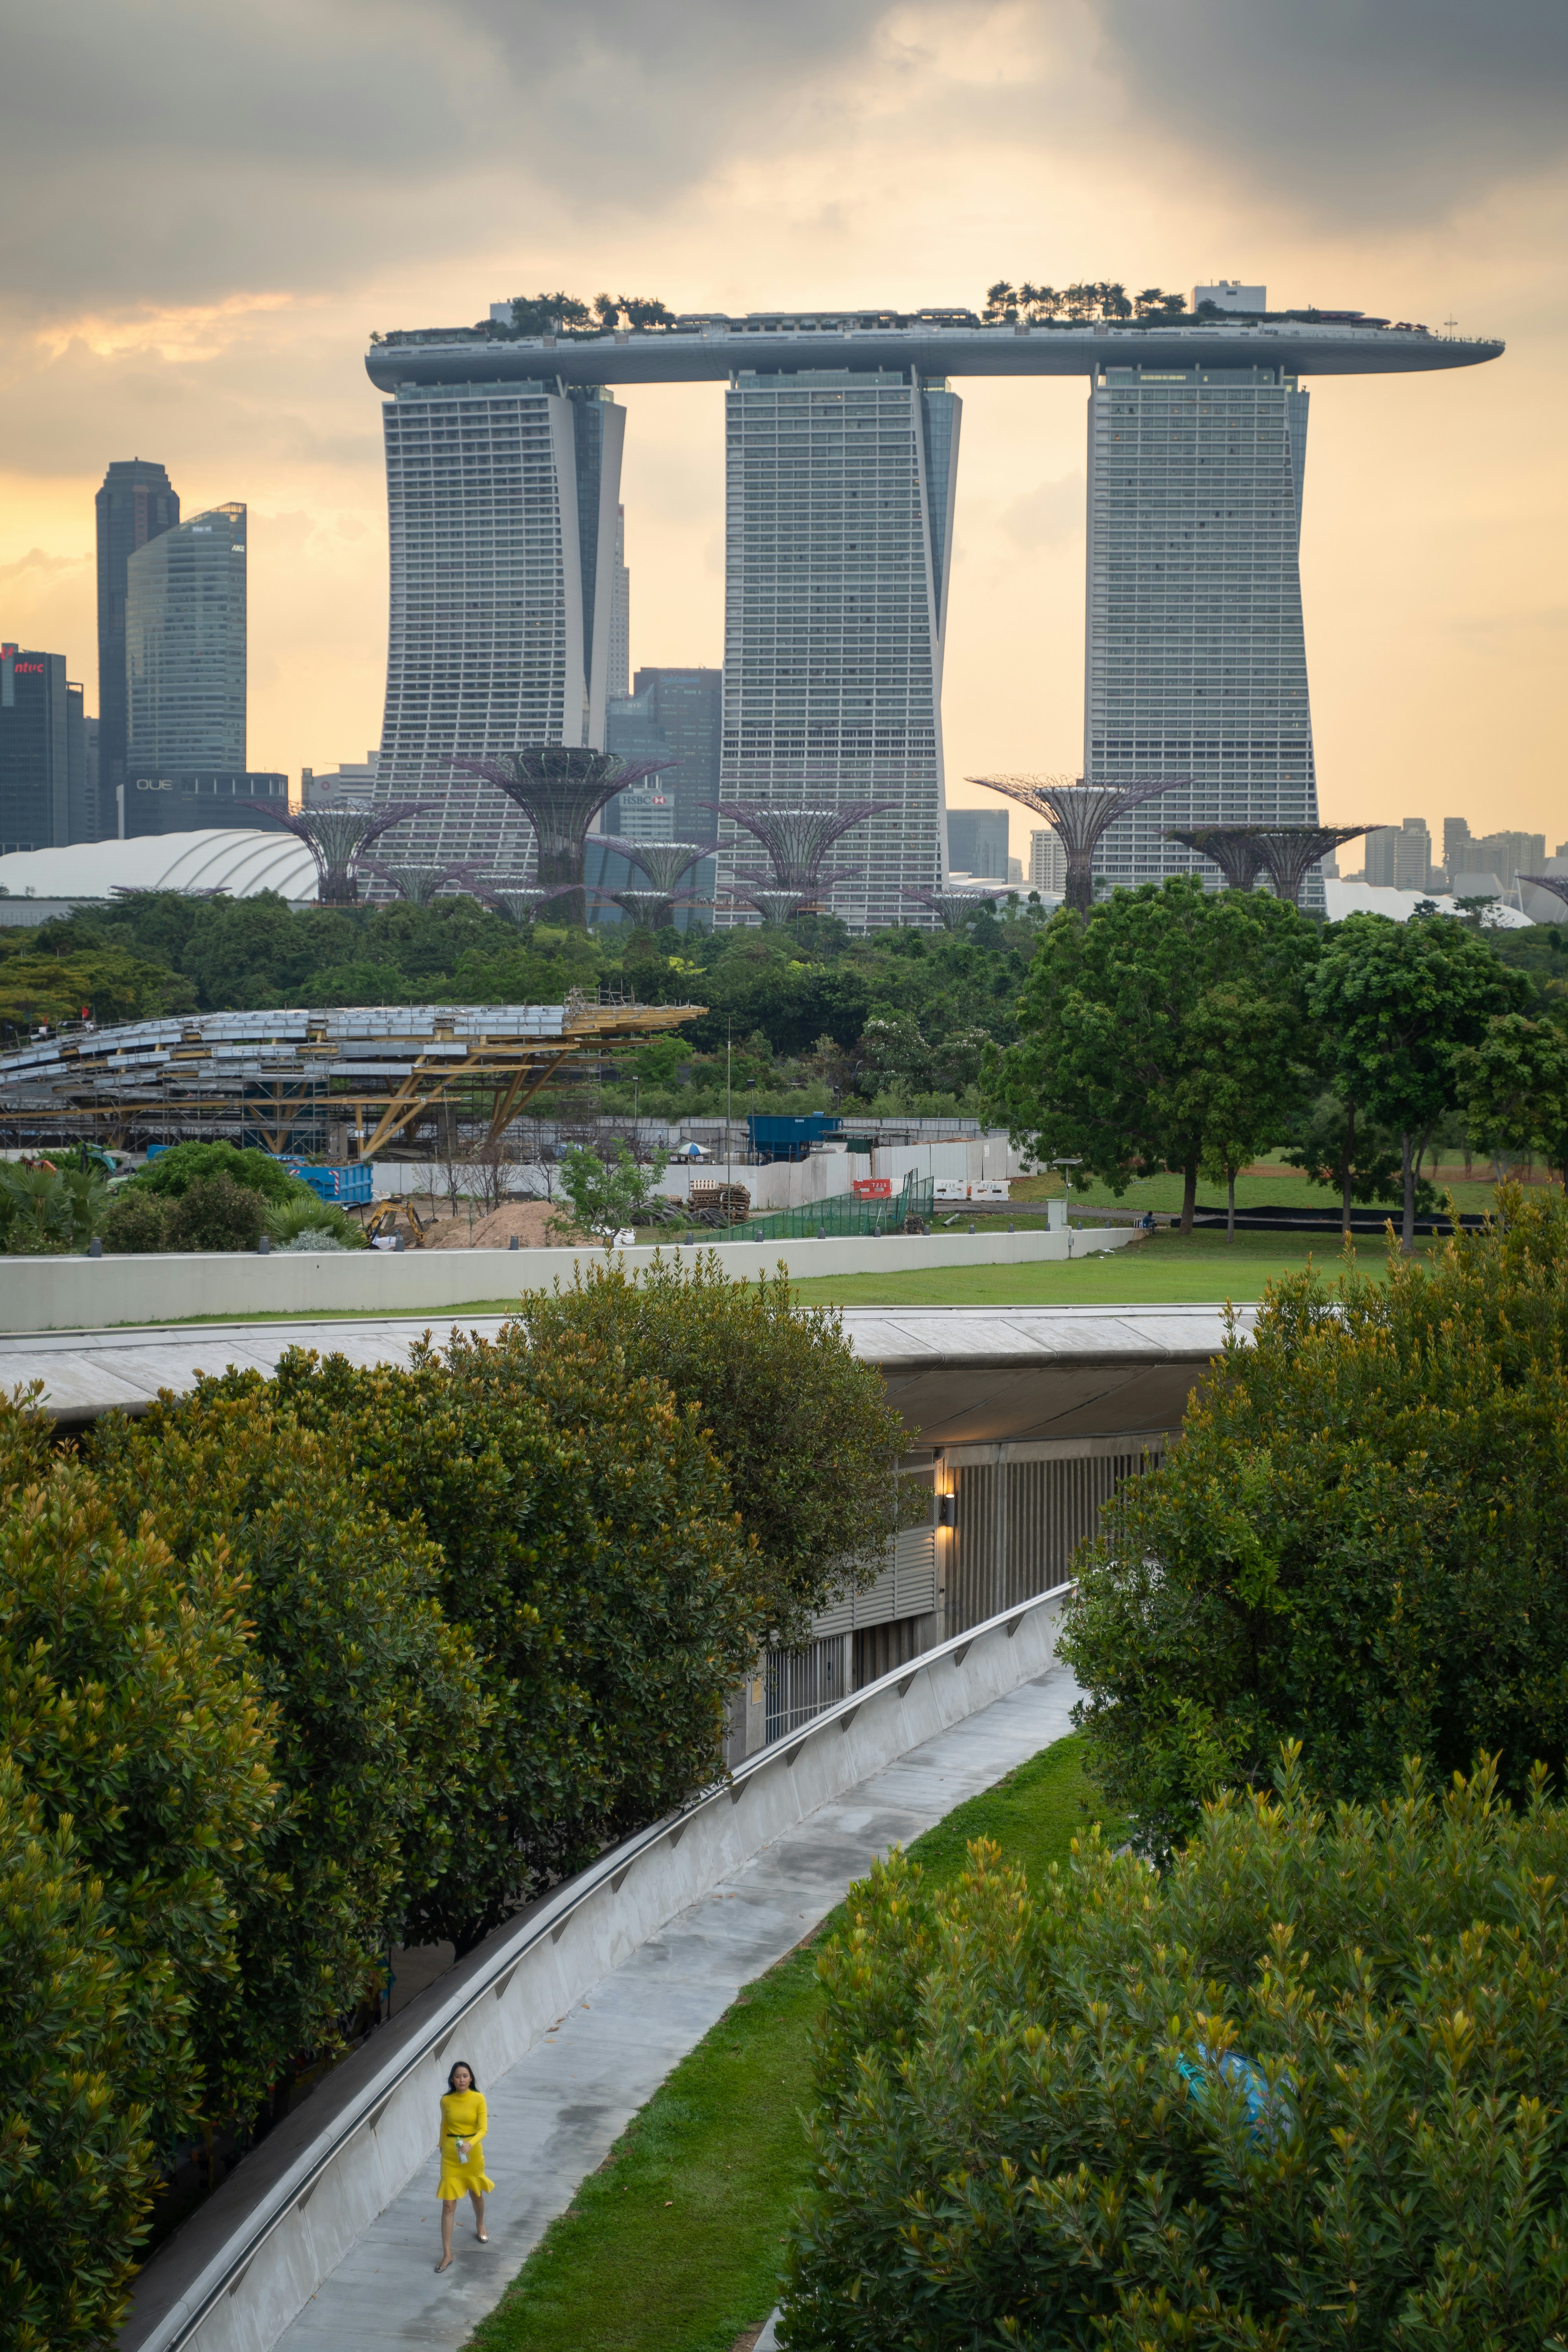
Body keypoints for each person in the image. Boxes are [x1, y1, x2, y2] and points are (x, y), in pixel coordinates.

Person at [434, 2059, 493, 2272]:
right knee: (448, 2205)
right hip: (451, 2155)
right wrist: (442, 2146)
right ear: (452, 2079)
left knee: (476, 2193)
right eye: (458, 2076)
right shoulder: (446, 2101)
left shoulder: (478, 2099)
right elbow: (445, 2125)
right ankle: (447, 2254)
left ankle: (480, 2223)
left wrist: (470, 2144)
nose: (462, 2080)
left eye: (465, 2076)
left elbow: (483, 2129)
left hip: (472, 2154)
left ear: (471, 2079)